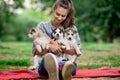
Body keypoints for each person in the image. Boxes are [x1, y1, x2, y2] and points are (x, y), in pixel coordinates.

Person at [32, 0, 82, 80]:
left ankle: (59, 70)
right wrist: (49, 46)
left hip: (66, 61)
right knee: (48, 59)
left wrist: (60, 48)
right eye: (57, 14)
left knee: (68, 64)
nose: (59, 18)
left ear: (67, 15)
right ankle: (60, 70)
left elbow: (78, 51)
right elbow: (35, 52)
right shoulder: (42, 26)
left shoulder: (71, 28)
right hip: (45, 65)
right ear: (53, 10)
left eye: (63, 16)